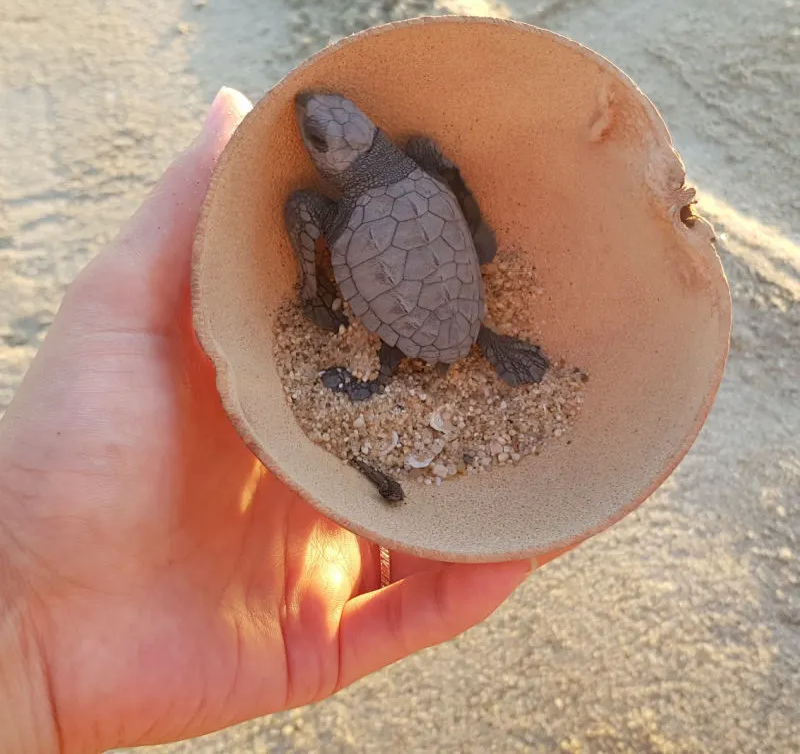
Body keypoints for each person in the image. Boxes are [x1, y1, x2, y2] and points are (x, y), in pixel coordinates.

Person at [0, 88, 539, 754]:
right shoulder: (419, 162)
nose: (307, 115)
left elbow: (324, 216)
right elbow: (448, 193)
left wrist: (314, 296)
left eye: (317, 137)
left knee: (300, 209)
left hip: (401, 310)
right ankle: (480, 339)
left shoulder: (328, 204)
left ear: (355, 145)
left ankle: (378, 375)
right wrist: (33, 667)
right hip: (460, 293)